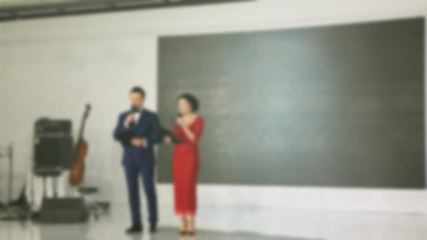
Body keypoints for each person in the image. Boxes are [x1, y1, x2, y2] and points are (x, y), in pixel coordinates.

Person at [113, 86, 162, 234]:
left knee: (149, 190)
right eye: (132, 98)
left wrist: (145, 141)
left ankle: (153, 221)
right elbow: (116, 135)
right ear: (129, 99)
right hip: (129, 159)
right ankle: (136, 223)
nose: (134, 101)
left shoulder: (151, 116)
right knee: (132, 192)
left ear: (143, 99)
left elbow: (158, 136)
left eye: (137, 98)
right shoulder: (123, 116)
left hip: (146, 158)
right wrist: (125, 124)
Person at [164, 93, 204, 236]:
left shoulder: (198, 119)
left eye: (183, 104)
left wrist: (185, 125)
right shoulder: (177, 120)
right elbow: (178, 137)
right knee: (179, 187)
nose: (180, 107)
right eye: (179, 104)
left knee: (189, 187)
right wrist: (170, 139)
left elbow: (194, 138)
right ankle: (181, 219)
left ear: (191, 105)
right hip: (178, 155)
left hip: (190, 155)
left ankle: (191, 219)